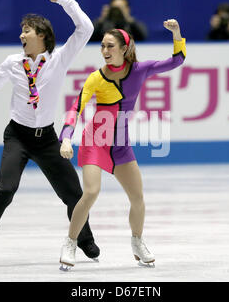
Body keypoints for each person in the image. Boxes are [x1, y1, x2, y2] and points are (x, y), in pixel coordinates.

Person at [0, 0, 100, 266]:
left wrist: (65, 0)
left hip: (47, 139)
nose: (22, 35)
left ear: (42, 34)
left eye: (27, 30)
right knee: (5, 189)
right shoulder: (13, 62)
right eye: (21, 31)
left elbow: (86, 28)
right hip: (18, 136)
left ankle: (84, 240)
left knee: (74, 194)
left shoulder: (59, 58)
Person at [57, 19, 186, 270]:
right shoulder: (96, 78)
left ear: (124, 49)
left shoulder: (140, 69)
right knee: (91, 193)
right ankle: (70, 241)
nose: (105, 51)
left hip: (121, 145)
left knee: (138, 198)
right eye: (102, 46)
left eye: (110, 46)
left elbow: (177, 60)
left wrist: (177, 34)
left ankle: (137, 242)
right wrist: (66, 138)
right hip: (95, 141)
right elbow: (76, 108)